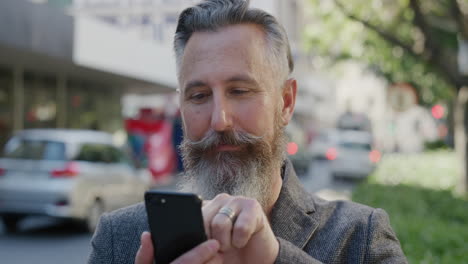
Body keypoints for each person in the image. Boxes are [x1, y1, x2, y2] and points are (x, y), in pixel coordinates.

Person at [88, 0, 407, 263]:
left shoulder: (359, 236)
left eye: (240, 91)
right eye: (199, 96)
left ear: (285, 102)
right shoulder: (119, 238)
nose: (219, 121)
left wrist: (276, 258)